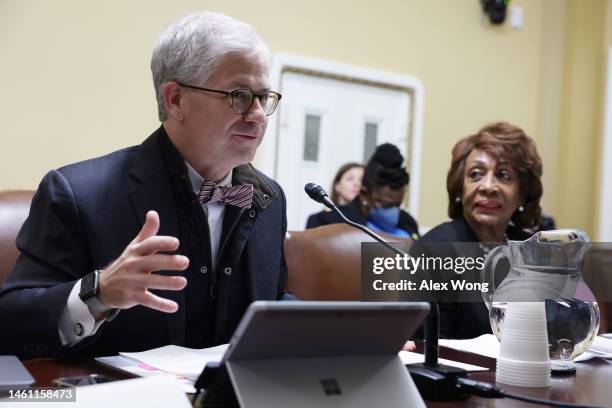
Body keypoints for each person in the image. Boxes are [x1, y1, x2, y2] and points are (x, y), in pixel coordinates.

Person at [0, 12, 292, 359]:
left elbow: (272, 298)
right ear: (176, 100)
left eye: (264, 97)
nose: (258, 115)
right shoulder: (77, 193)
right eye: (240, 95)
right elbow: (10, 323)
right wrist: (99, 292)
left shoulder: (269, 199)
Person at [420, 122, 542, 339]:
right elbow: (426, 352)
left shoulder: (533, 250)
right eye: (476, 174)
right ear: (460, 188)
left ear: (522, 194)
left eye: (504, 175)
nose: (488, 186)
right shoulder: (434, 250)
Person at [306, 144, 419, 240]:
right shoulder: (330, 222)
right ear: (364, 195)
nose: (392, 211)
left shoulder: (408, 223)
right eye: (385, 204)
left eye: (397, 205)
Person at [305, 162, 364, 228]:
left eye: (362, 180)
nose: (357, 183)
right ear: (337, 186)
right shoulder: (318, 219)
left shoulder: (371, 217)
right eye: (350, 179)